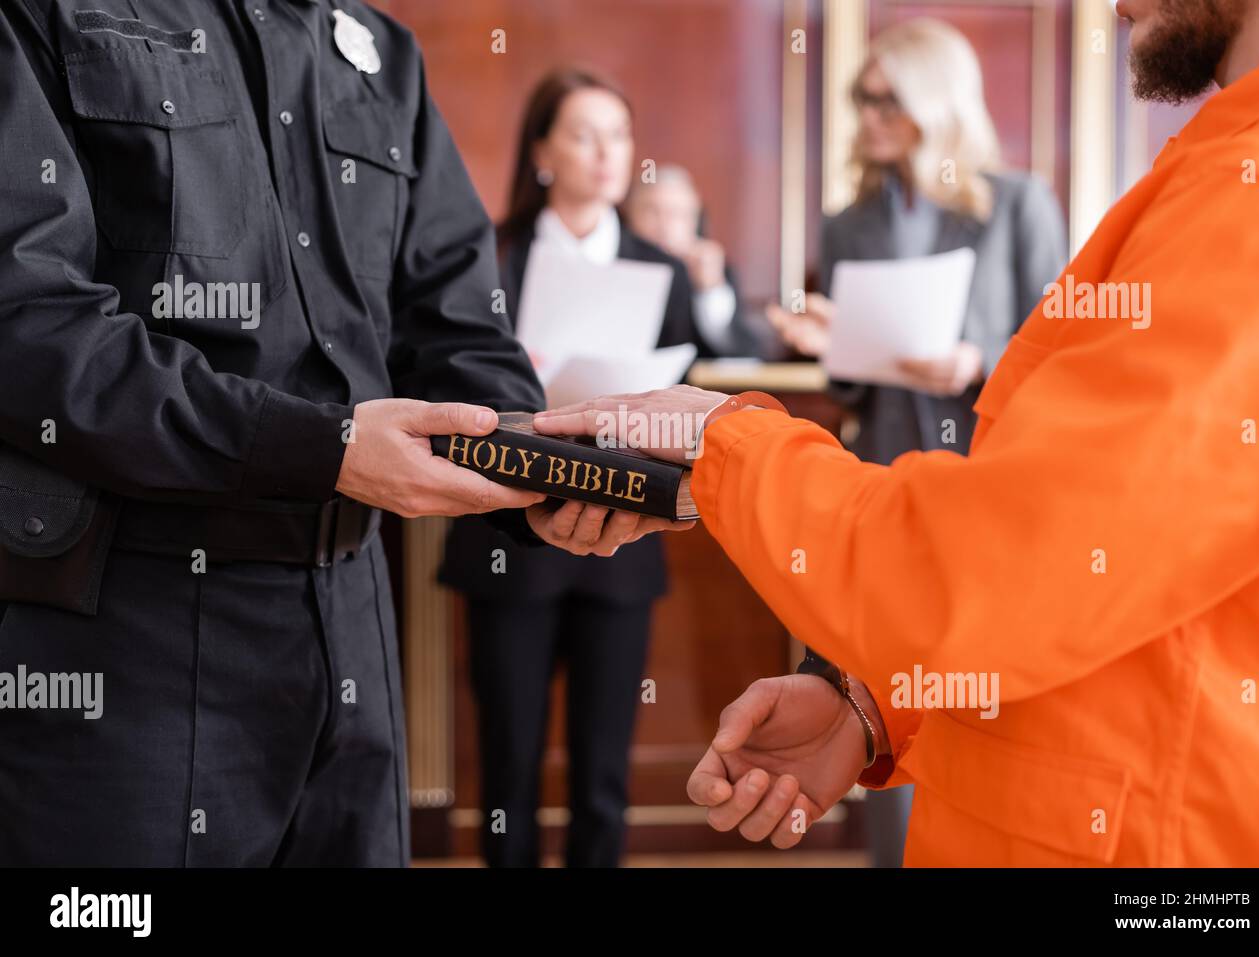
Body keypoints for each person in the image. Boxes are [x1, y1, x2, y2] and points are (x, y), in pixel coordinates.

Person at [534, 0, 1259, 866]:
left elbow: (1024, 558)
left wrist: (723, 439)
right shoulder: (1235, 178)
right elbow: (1113, 581)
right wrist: (879, 711)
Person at [0, 0, 671, 867]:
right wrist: (321, 447)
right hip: (130, 628)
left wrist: (543, 467)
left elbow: (456, 321)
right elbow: (30, 323)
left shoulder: (380, 50)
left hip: (351, 613)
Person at [765, 17, 1067, 864]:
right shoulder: (848, 220)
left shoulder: (1018, 202)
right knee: (878, 694)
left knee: (977, 700)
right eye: (862, 99)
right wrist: (835, 345)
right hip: (880, 477)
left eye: (886, 100)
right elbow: (851, 385)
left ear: (935, 101)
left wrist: (976, 360)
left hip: (987, 480)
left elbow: (1063, 344)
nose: (866, 117)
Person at [438, 67, 698, 868]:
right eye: (584, 134)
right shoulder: (491, 253)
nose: (605, 153)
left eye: (618, 134)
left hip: (623, 529)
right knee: (506, 761)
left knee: (602, 769)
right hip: (506, 534)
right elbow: (446, 371)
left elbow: (698, 378)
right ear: (543, 149)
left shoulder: (663, 265)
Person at [625, 165, 767, 357]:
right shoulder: (614, 265)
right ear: (629, 216)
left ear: (695, 221)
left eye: (677, 214)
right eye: (652, 211)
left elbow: (741, 350)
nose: (665, 225)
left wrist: (710, 291)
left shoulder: (719, 274)